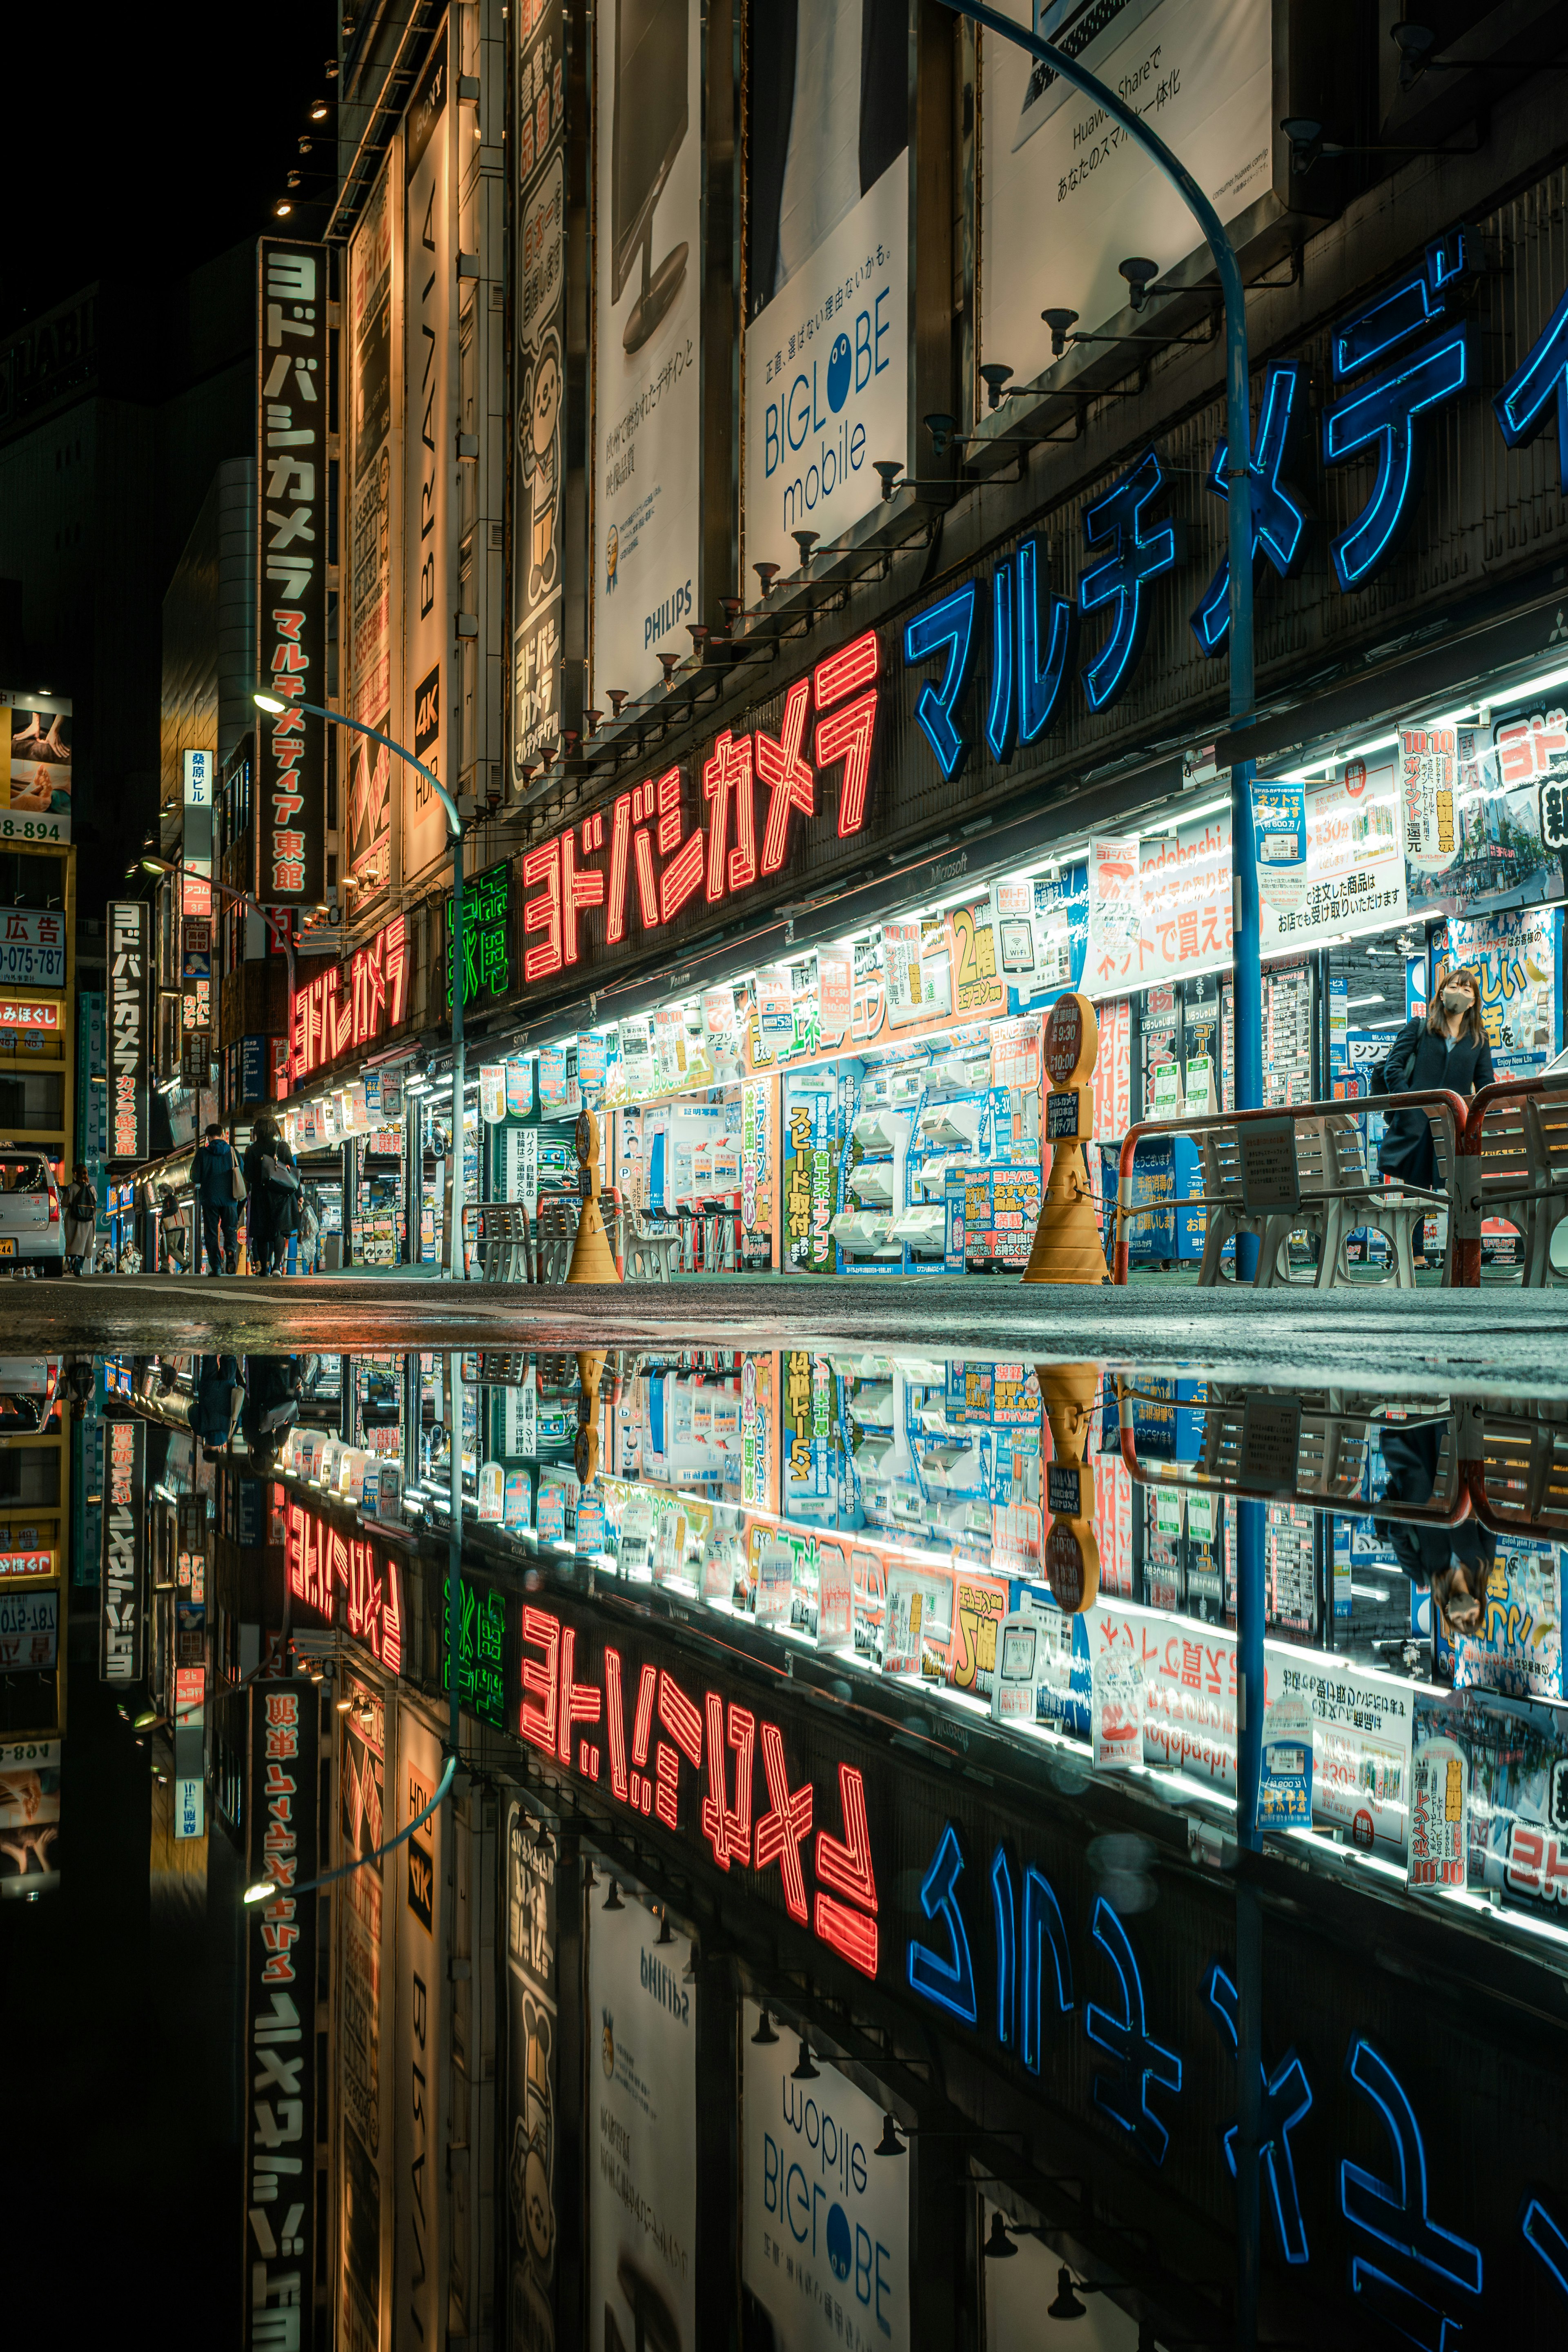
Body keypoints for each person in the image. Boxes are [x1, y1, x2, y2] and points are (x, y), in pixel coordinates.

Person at [1376, 964, 1494, 1191]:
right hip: (1415, 1127)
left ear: (1473, 1002)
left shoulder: (1479, 1040)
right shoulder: (1420, 1028)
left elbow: (1485, 1085)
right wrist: (1410, 1104)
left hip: (1454, 1128)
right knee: (1416, 1196)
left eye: (1467, 991)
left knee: (1452, 1194)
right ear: (1442, 995)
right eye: (1453, 987)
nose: (1459, 993)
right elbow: (1393, 1067)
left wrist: (1494, 1121)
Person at [243, 1115, 301, 1275]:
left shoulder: (252, 1150)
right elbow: (292, 1173)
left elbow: (248, 1176)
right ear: (274, 1129)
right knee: (279, 1232)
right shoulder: (282, 1147)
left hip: (260, 1196)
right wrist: (299, 1195)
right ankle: (277, 1267)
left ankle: (264, 1271)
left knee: (262, 1234)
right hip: (281, 1196)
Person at [190, 1123, 242, 1275]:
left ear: (208, 1137)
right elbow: (242, 1170)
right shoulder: (233, 1152)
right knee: (230, 1229)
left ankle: (217, 1267)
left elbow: (195, 1176)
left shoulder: (203, 1153)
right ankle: (231, 1253)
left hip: (210, 1199)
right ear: (222, 1135)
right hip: (230, 1199)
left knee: (212, 1233)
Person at [61, 1164, 96, 1274]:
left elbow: (65, 1203)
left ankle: (73, 1260)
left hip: (73, 1219)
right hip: (89, 1221)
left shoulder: (71, 1188)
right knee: (85, 1244)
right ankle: (80, 1267)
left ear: (75, 1174)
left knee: (72, 1242)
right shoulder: (92, 1188)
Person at [157, 1186, 189, 1273]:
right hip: (169, 1228)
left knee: (171, 1248)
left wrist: (164, 1215)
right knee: (164, 1248)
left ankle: (185, 1263)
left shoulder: (171, 1200)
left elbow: (174, 1210)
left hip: (174, 1228)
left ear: (166, 1192)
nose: (160, 1193)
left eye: (161, 1191)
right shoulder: (167, 1200)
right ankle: (165, 1267)